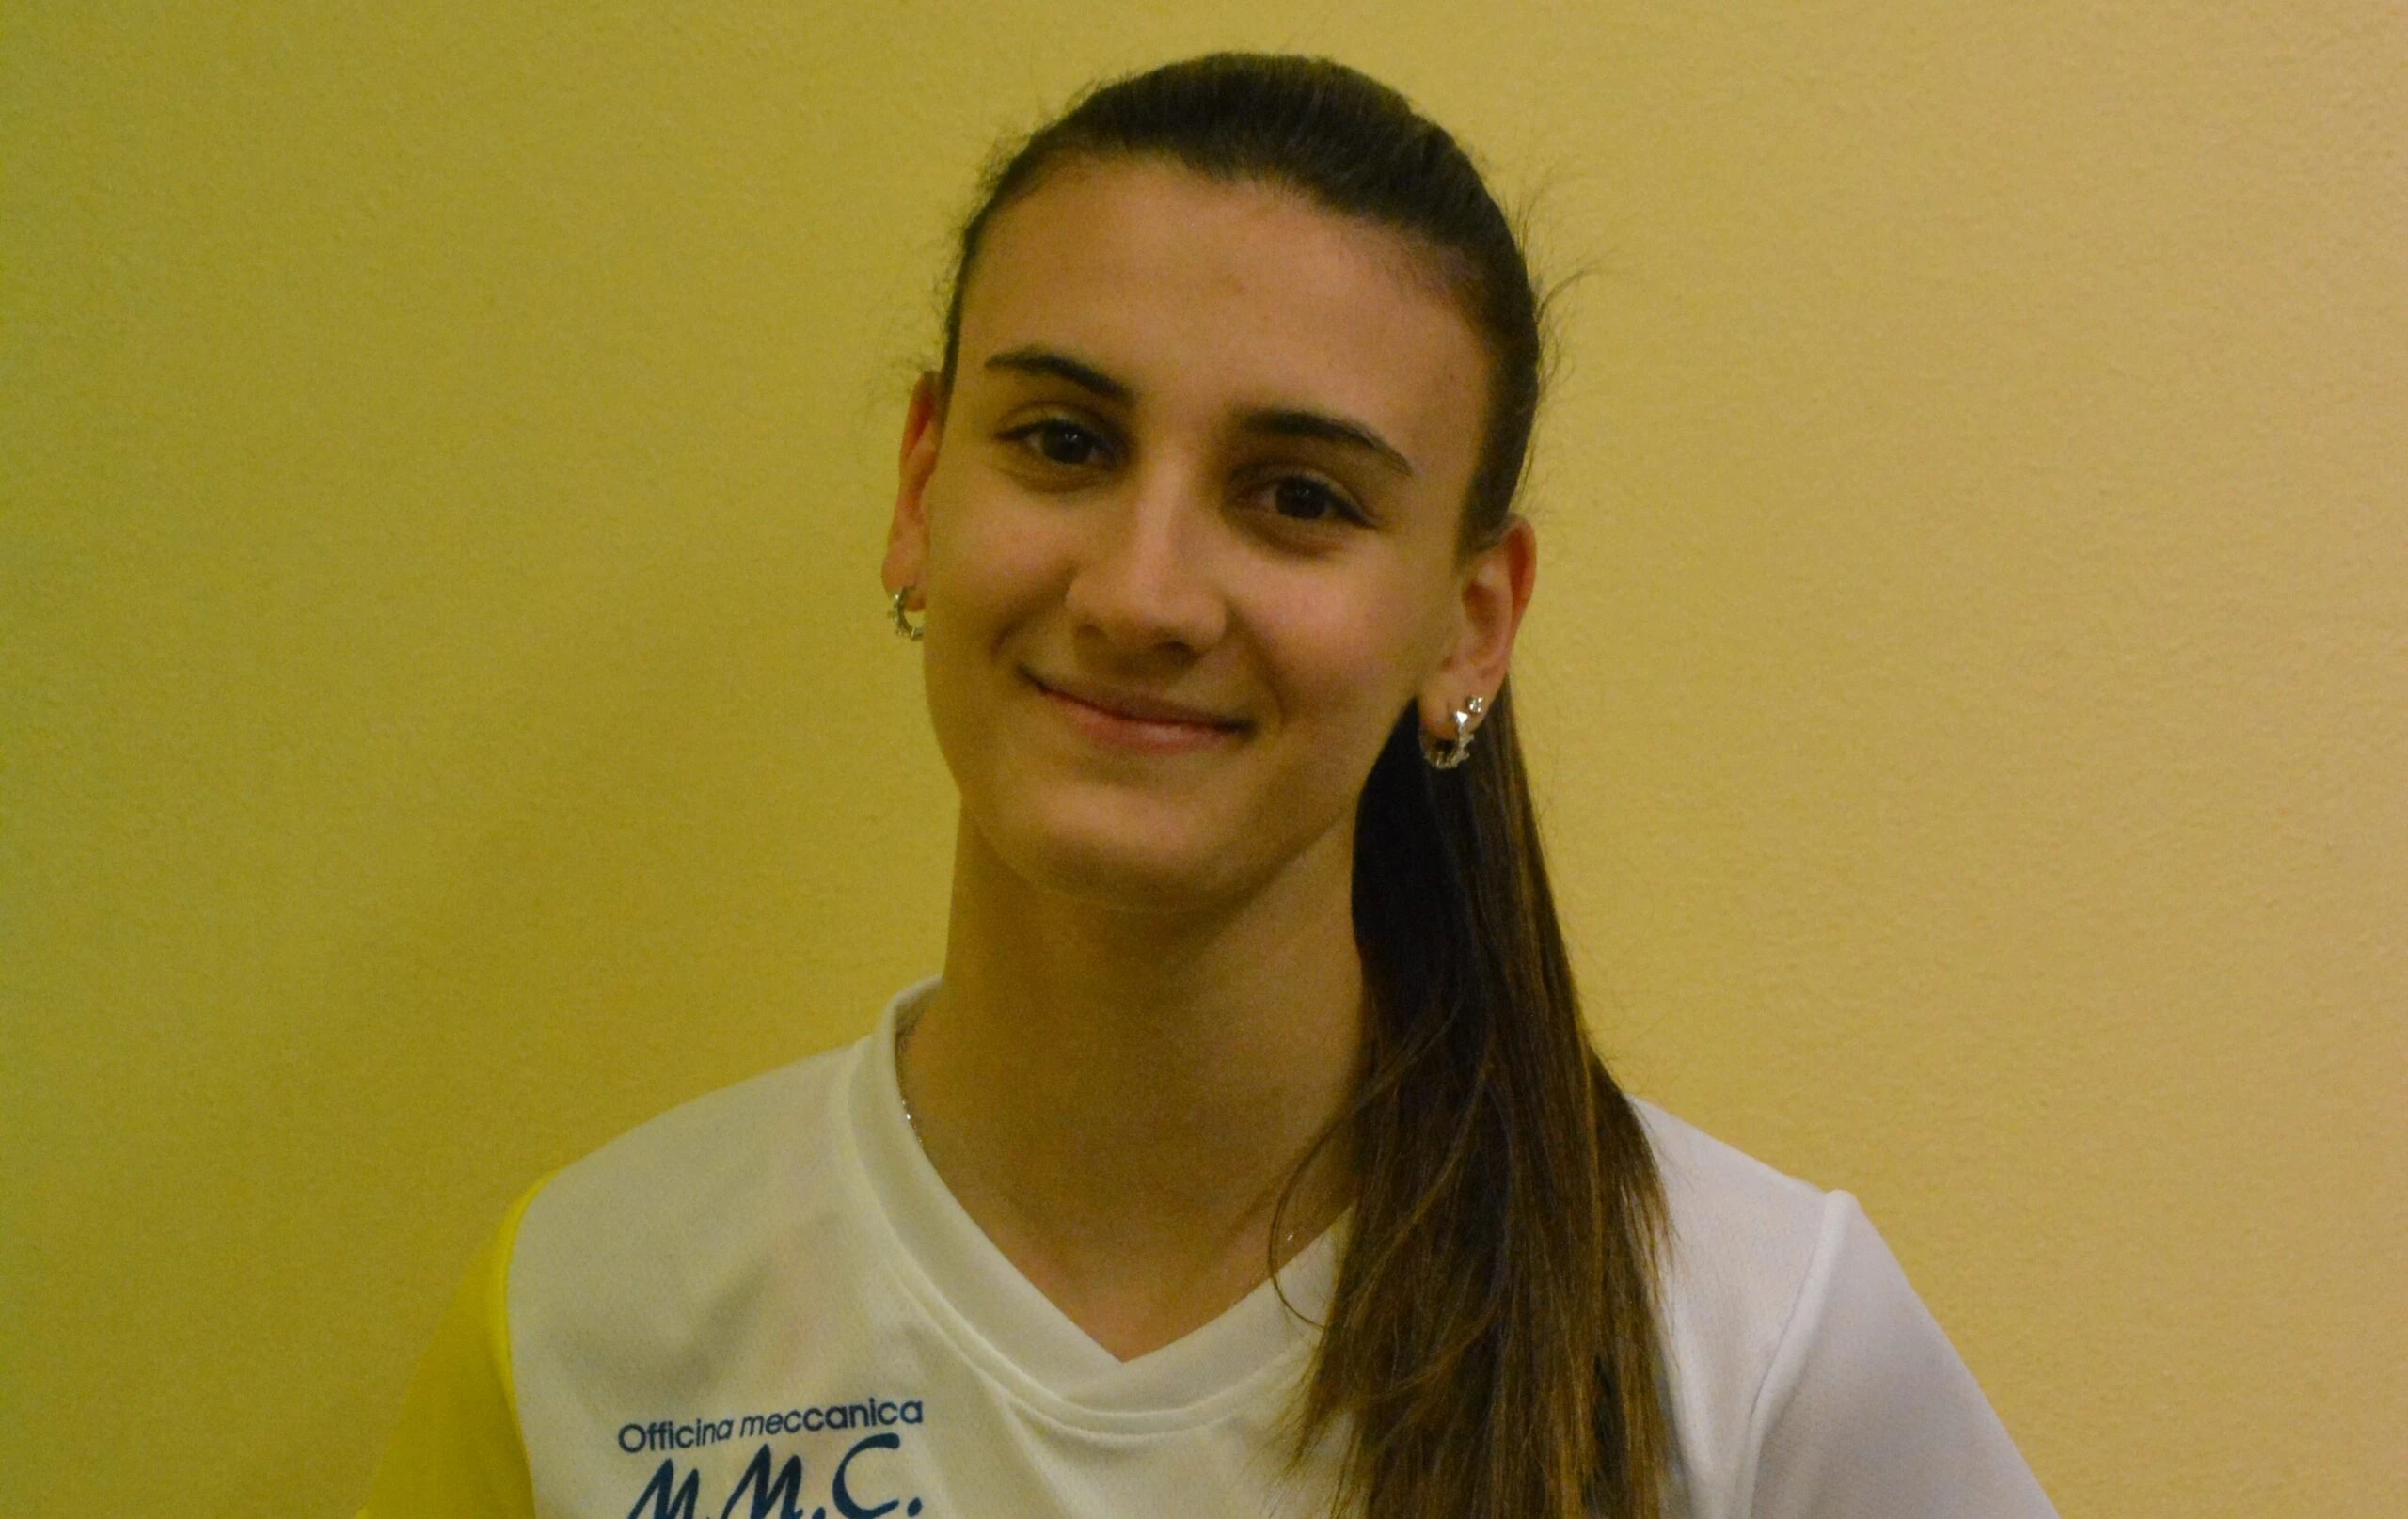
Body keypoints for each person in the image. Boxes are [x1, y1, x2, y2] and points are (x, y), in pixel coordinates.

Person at [361, 53, 2056, 1519]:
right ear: (921, 488)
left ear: (1472, 622)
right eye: (1066, 443)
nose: (1142, 593)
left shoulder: (1756, 1350)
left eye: (1299, 496)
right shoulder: (587, 1321)